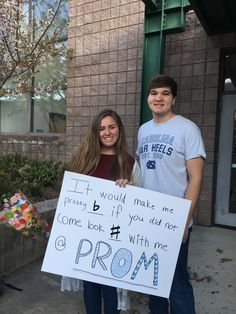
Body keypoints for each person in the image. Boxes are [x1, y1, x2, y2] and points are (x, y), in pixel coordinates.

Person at [136, 74, 206, 314]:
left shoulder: (187, 129)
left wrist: (183, 222)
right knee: (153, 281)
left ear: (173, 99)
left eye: (165, 93)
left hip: (173, 220)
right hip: (147, 219)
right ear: (148, 98)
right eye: (154, 93)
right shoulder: (143, 130)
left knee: (177, 283)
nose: (159, 98)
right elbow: (142, 172)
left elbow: (196, 178)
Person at [68, 109, 141, 314]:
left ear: (119, 129)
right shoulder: (83, 160)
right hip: (89, 236)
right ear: (95, 132)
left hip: (116, 239)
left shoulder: (130, 163)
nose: (107, 132)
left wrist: (130, 190)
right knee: (90, 289)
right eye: (101, 128)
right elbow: (72, 199)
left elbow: (141, 205)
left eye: (111, 127)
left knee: (111, 291)